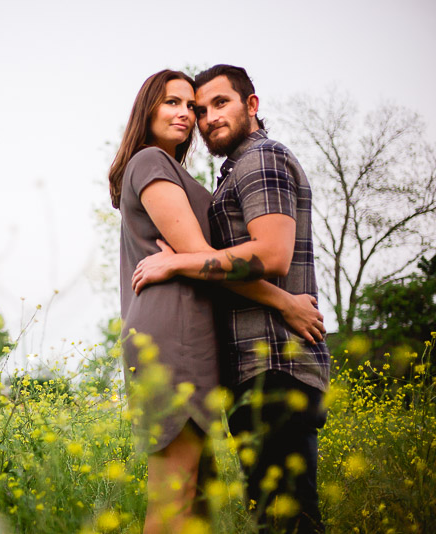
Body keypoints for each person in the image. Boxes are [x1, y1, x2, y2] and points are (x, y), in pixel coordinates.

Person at [110, 69, 325, 534]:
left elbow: (197, 259)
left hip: (199, 336)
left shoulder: (186, 171)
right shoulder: (150, 161)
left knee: (199, 500)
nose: (190, 115)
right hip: (174, 332)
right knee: (178, 493)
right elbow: (200, 256)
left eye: (195, 106)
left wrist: (183, 263)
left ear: (251, 105)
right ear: (146, 109)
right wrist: (285, 302)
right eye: (174, 103)